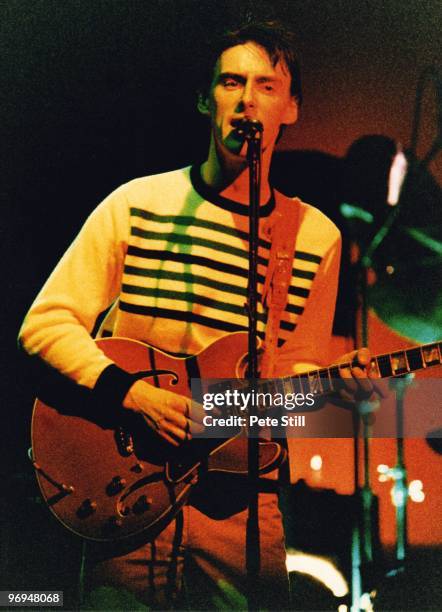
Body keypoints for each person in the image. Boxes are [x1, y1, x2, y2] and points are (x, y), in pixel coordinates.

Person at [19, 21, 375, 611]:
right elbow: (45, 324)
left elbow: (293, 370)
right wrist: (131, 394)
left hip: (242, 497)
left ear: (291, 108)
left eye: (266, 85)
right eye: (231, 82)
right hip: (129, 482)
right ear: (206, 99)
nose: (247, 99)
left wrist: (337, 389)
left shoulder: (314, 236)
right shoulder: (137, 204)